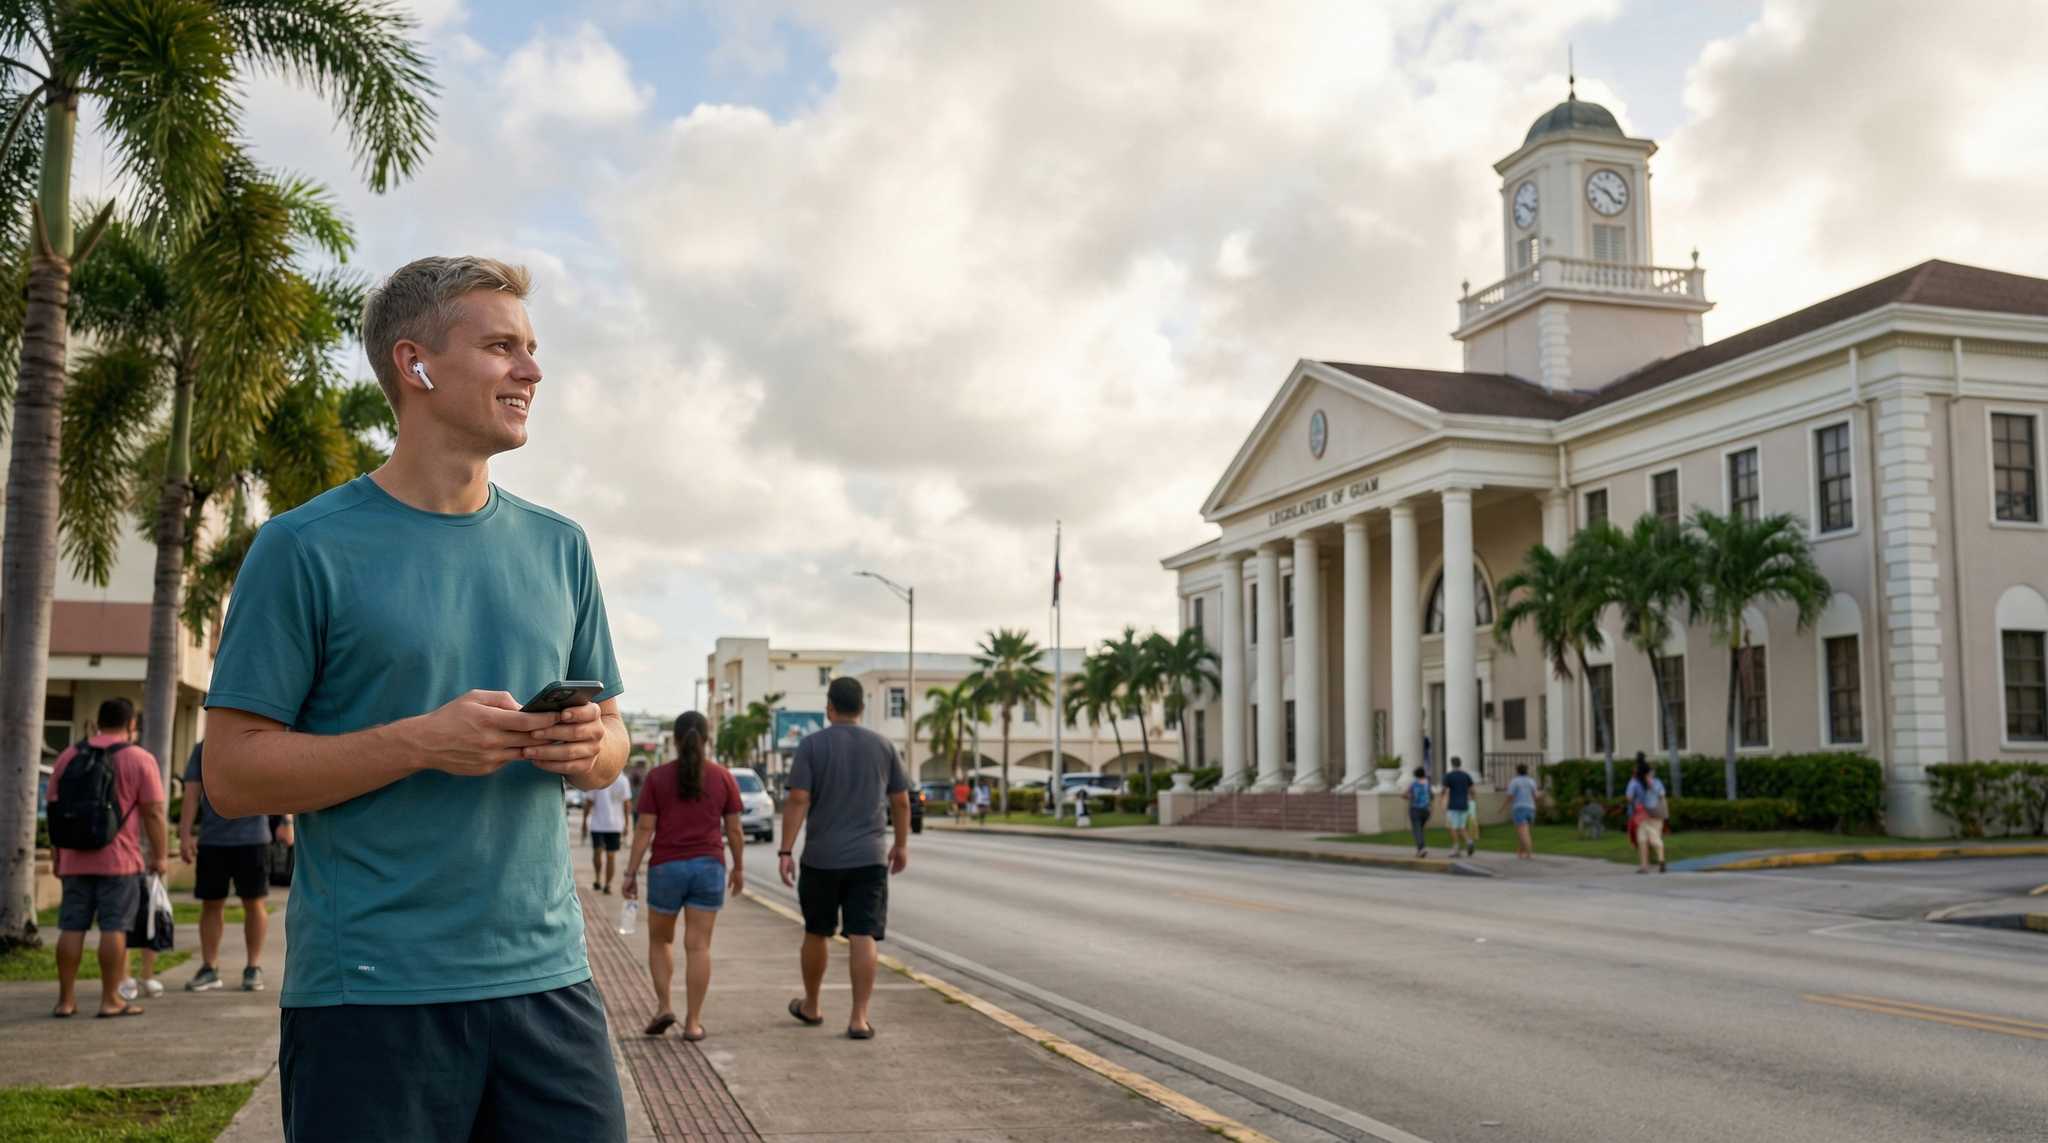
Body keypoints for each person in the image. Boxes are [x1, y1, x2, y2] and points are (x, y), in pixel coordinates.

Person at [201, 257, 630, 1141]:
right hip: (370, 994)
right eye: (502, 346)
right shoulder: (301, 547)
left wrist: (587, 745)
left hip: (548, 984)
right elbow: (233, 775)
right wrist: (420, 743)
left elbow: (616, 737)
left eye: (534, 348)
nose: (532, 371)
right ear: (416, 364)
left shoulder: (561, 546)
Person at [779, 678, 909, 1041]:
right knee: (863, 933)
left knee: (816, 932)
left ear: (829, 708)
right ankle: (859, 1018)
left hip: (821, 858)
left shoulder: (811, 746)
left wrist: (786, 850)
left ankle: (813, 1005)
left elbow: (798, 799)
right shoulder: (883, 746)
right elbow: (900, 800)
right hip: (869, 858)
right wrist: (900, 844)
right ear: (861, 708)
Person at [621, 712, 743, 1041]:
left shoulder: (658, 778)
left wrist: (631, 873)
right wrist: (739, 868)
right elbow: (734, 830)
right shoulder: (723, 777)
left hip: (666, 869)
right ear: (707, 740)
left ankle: (664, 1007)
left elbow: (645, 829)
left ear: (674, 740)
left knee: (661, 941)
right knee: (699, 947)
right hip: (709, 868)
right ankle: (693, 1023)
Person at [46, 697, 165, 1019]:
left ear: (98, 721)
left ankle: (66, 1001)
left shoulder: (69, 756)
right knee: (114, 927)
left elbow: (54, 812)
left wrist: (58, 855)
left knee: (72, 928)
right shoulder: (139, 758)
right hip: (119, 860)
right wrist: (160, 855)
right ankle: (110, 999)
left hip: (73, 858)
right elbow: (153, 812)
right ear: (131, 725)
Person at [177, 740, 287, 992]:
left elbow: (278, 783)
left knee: (254, 901)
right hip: (213, 839)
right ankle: (209, 968)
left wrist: (286, 821)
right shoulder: (203, 749)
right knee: (211, 903)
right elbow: (192, 793)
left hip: (253, 838)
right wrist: (184, 835)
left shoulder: (258, 743)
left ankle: (253, 967)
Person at [586, 768, 633, 894]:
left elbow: (589, 802)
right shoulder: (623, 780)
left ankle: (599, 880)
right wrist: (627, 825)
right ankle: (607, 884)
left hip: (599, 824)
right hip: (614, 825)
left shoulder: (596, 778)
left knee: (598, 852)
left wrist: (584, 821)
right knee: (610, 856)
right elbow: (627, 804)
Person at [1625, 753, 1669, 874]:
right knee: (1655, 837)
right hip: (1656, 814)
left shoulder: (1634, 782)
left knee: (1642, 840)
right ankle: (1661, 860)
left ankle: (1644, 866)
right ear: (1649, 772)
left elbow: (1628, 798)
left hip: (1640, 815)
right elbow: (1662, 795)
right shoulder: (1657, 782)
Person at [1443, 757, 1477, 858]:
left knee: (1453, 827)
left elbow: (1444, 790)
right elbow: (1472, 790)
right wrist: (1473, 801)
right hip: (1464, 804)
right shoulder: (1466, 776)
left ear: (1451, 764)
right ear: (1460, 764)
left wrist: (1442, 801)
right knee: (1462, 827)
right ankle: (1469, 842)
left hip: (1453, 805)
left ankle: (1456, 848)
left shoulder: (1449, 776)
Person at [1506, 763, 1540, 860]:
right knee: (1523, 832)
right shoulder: (1531, 781)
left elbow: (1510, 796)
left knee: (1523, 833)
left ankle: (1529, 853)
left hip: (1519, 808)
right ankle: (1520, 853)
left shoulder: (1515, 781)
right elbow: (1535, 796)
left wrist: (1503, 807)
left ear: (1517, 771)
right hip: (1531, 808)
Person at [1405, 765, 1433, 857]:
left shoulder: (1414, 784)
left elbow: (1405, 794)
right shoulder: (1428, 784)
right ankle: (1420, 850)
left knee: (1417, 830)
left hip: (1415, 809)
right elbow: (1431, 796)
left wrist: (1409, 797)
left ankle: (1421, 849)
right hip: (1426, 810)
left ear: (1415, 775)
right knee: (1420, 829)